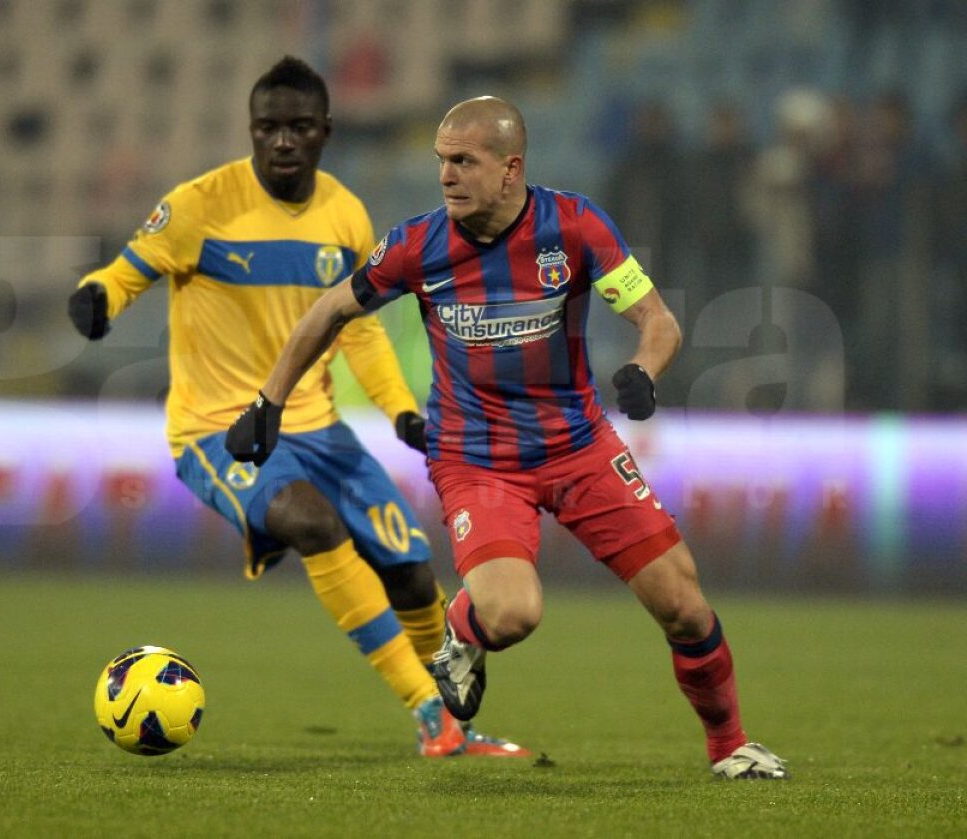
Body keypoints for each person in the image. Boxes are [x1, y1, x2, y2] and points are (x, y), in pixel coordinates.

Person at [226, 95, 788, 780]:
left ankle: (729, 746)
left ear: (510, 168)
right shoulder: (417, 244)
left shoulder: (575, 225)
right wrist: (269, 400)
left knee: (685, 606)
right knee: (515, 612)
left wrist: (644, 368)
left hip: (581, 448)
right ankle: (462, 634)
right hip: (478, 462)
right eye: (441, 161)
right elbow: (331, 309)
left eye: (464, 161)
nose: (447, 176)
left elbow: (658, 320)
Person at [68, 58, 527, 759]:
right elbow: (127, 271)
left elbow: (362, 326)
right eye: (268, 127)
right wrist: (98, 299)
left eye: (298, 127)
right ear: (251, 130)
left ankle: (453, 714)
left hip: (319, 428)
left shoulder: (343, 214)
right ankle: (427, 712)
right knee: (312, 521)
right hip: (218, 433)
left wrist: (401, 410)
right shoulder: (200, 204)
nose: (282, 141)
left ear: (325, 132)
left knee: (409, 566)